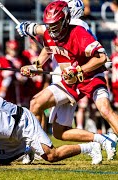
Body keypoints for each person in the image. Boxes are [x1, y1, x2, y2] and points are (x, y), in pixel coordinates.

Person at [19, 1, 118, 161]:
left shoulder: (77, 31)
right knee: (37, 106)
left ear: (65, 20)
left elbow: (101, 57)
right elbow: (48, 49)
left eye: (55, 25)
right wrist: (34, 66)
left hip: (90, 76)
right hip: (69, 81)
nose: (51, 29)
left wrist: (79, 70)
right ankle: (36, 147)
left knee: (105, 109)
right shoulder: (51, 33)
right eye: (49, 25)